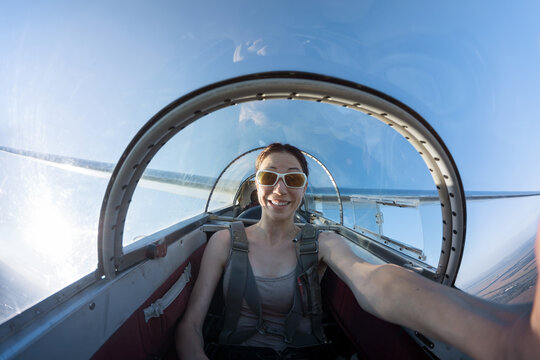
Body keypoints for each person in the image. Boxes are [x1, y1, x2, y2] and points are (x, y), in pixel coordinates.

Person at [176, 143, 540, 360]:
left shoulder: (322, 241)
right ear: (257, 186)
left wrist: (502, 333)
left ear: (304, 188)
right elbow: (191, 325)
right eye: (269, 177)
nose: (280, 188)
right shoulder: (225, 241)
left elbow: (373, 281)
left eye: (294, 178)